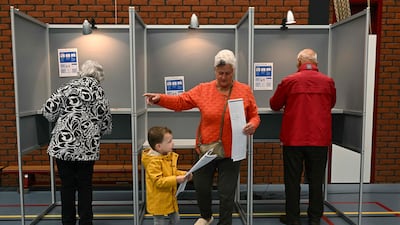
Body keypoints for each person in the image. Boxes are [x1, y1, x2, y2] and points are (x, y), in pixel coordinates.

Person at [143, 49, 260, 225]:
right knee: (201, 187)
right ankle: (206, 216)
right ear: (215, 71)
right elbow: (181, 101)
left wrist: (253, 124)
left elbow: (255, 115)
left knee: (226, 193)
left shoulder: (244, 90)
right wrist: (160, 98)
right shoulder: (203, 89)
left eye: (228, 73)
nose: (224, 77)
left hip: (232, 152)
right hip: (207, 150)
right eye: (220, 73)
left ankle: (225, 222)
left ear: (233, 71)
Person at [269, 49, 336, 225]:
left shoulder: (289, 81)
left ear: (298, 63)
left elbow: (274, 104)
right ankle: (314, 218)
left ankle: (293, 217)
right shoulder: (328, 82)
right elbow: (331, 103)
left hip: (294, 139)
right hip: (319, 139)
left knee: (292, 180)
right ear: (317, 64)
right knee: (316, 181)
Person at [42, 60, 112, 225]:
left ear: (82, 72)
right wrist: (93, 131)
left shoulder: (67, 87)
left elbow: (49, 111)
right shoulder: (99, 93)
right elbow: (106, 124)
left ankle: (68, 221)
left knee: (67, 185)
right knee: (85, 185)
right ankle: (86, 221)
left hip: (63, 145)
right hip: (87, 148)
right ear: (99, 76)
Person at [141, 126, 192, 225]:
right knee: (160, 222)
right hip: (158, 199)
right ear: (158, 146)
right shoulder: (153, 162)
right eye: (169, 141)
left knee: (176, 219)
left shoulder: (167, 156)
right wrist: (176, 179)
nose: (172, 143)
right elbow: (158, 182)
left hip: (169, 197)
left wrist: (184, 174)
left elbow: (171, 171)